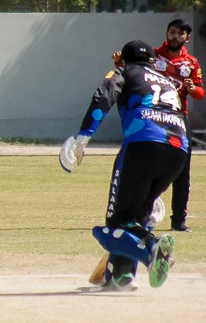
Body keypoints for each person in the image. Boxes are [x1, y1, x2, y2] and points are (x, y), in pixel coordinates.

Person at [60, 40, 185, 291]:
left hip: (142, 144)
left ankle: (151, 249)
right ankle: (120, 277)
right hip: (178, 150)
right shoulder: (166, 81)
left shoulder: (124, 72)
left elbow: (103, 96)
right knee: (133, 218)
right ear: (152, 61)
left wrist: (83, 137)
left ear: (125, 60)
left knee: (112, 226)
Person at [153, 19, 203, 231]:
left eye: (179, 34)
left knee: (182, 169)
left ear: (187, 37)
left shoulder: (191, 63)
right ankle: (142, 213)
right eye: (172, 32)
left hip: (179, 118)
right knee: (149, 164)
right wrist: (119, 63)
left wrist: (192, 89)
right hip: (155, 116)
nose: (174, 36)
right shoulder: (153, 56)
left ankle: (179, 220)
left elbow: (200, 93)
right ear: (167, 33)